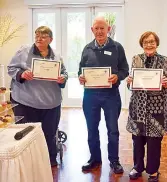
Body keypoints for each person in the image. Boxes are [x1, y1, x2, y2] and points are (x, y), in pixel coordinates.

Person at [7, 26, 68, 167]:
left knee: (49, 133)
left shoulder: (57, 56)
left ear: (50, 39)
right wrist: (21, 74)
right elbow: (11, 68)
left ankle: (49, 159)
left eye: (43, 36)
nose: (39, 39)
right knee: (26, 135)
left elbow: (64, 73)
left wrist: (62, 78)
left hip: (51, 103)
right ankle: (26, 163)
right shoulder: (23, 51)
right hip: (26, 101)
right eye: (37, 36)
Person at [78, 17, 129, 174]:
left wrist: (117, 76)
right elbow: (80, 69)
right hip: (90, 95)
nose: (99, 31)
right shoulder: (87, 49)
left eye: (102, 28)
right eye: (96, 28)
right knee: (92, 129)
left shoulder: (117, 47)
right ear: (92, 30)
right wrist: (81, 76)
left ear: (108, 30)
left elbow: (125, 69)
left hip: (110, 95)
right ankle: (95, 159)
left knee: (112, 129)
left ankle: (114, 160)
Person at [126, 31, 167, 182]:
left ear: (157, 43)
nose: (149, 44)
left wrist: (166, 84)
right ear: (142, 44)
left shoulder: (164, 60)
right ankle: (137, 167)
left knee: (154, 143)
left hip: (156, 109)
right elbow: (132, 85)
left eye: (152, 41)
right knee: (137, 141)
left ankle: (153, 171)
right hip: (138, 107)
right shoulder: (136, 59)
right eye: (146, 42)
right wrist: (129, 82)